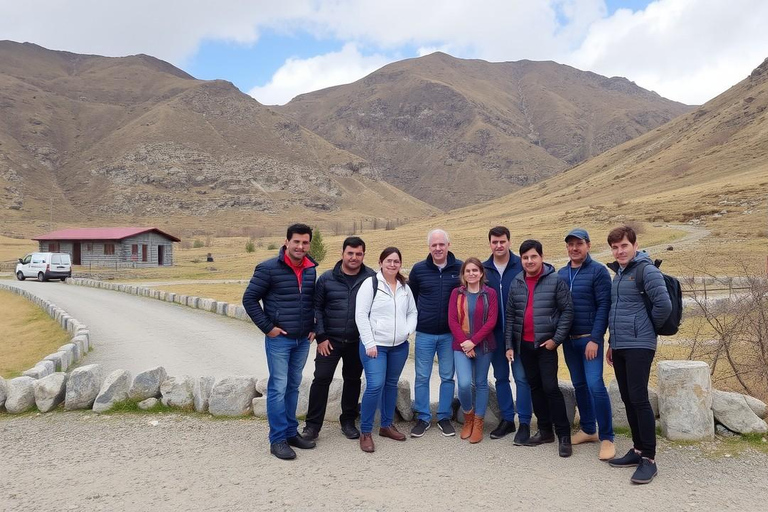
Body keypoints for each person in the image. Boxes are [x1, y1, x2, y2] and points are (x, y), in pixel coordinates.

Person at [242, 223, 318, 461]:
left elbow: (311, 301)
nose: (300, 246)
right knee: (277, 388)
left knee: (293, 386)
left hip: (302, 340)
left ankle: (290, 431)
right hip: (280, 341)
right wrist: (268, 328)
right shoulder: (268, 269)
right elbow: (249, 299)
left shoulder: (310, 269)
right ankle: (277, 440)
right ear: (287, 242)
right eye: (296, 241)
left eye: (305, 242)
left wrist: (314, 327)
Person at [605, 225, 672, 484]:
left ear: (635, 245)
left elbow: (663, 305)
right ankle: (637, 450)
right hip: (621, 345)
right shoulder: (620, 274)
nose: (619, 251)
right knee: (627, 397)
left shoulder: (647, 270)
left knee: (639, 398)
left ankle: (649, 460)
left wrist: (645, 330)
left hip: (639, 344)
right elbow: (617, 311)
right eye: (615, 247)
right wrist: (612, 342)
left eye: (624, 245)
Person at [504, 240, 574, 457]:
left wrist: (556, 339)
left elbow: (567, 311)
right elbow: (511, 316)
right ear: (521, 260)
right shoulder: (517, 282)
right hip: (524, 345)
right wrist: (509, 345)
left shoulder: (555, 281)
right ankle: (545, 431)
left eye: (533, 257)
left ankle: (563, 435)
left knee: (551, 387)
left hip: (546, 345)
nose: (529, 261)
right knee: (535, 387)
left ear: (541, 257)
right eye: (525, 258)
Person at [302, 236, 376, 441]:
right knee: (321, 379)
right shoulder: (326, 278)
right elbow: (316, 308)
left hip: (356, 341)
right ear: (342, 253)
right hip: (330, 341)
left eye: (358, 254)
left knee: (352, 381)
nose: (354, 257)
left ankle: (348, 421)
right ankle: (312, 426)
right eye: (350, 253)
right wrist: (322, 337)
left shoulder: (371, 278)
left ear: (363, 255)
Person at [557, 228, 615, 460]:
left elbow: (604, 307)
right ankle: (589, 429)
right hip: (569, 342)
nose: (574, 248)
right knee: (579, 384)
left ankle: (608, 437)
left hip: (589, 340)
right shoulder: (561, 274)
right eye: (570, 244)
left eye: (578, 243)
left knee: (595, 386)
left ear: (588, 245)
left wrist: (595, 338)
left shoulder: (598, 271)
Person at [355, 247, 418, 453]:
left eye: (396, 261)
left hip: (399, 346)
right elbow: (361, 315)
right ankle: (365, 431)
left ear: (400, 264)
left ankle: (386, 425)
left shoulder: (404, 286)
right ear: (381, 262)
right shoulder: (370, 284)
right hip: (375, 346)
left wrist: (407, 330)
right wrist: (369, 343)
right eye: (388, 261)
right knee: (375, 385)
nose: (392, 264)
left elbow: (412, 311)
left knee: (391, 384)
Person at [408, 229, 463, 438]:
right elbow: (410, 298)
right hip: (424, 333)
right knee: (422, 376)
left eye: (442, 244)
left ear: (448, 245)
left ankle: (443, 416)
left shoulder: (459, 268)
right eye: (434, 245)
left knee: (447, 376)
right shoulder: (419, 269)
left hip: (450, 334)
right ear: (429, 247)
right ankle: (422, 416)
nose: (438, 248)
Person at [483, 226, 533, 444]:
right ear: (490, 244)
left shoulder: (520, 265)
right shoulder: (483, 269)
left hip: (520, 335)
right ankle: (506, 419)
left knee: (522, 378)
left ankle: (524, 422)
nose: (499, 245)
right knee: (501, 377)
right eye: (495, 242)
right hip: (494, 335)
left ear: (509, 242)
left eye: (502, 241)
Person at [448, 257, 498, 444]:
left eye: (475, 271)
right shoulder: (457, 293)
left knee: (481, 383)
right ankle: (468, 417)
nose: (471, 274)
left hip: (484, 345)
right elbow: (452, 320)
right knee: (464, 383)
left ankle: (478, 423)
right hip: (461, 346)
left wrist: (473, 342)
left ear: (481, 273)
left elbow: (491, 321)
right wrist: (465, 343)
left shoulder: (490, 293)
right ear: (463, 274)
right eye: (468, 271)